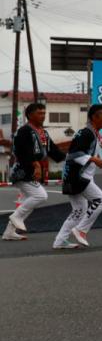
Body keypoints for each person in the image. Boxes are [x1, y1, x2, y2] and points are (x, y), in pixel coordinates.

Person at [3, 102, 66, 242]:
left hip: (31, 170)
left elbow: (54, 152)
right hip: (23, 171)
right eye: (39, 113)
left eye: (44, 113)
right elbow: (19, 150)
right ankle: (16, 217)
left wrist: (71, 158)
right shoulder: (24, 130)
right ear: (30, 115)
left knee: (28, 201)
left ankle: (9, 232)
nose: (43, 116)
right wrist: (35, 164)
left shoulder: (43, 132)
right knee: (40, 196)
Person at [53, 104, 102, 250]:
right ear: (94, 117)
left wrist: (95, 159)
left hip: (75, 176)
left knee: (79, 209)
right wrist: (94, 160)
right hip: (79, 176)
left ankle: (60, 241)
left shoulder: (93, 133)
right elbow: (73, 155)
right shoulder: (87, 133)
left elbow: (82, 153)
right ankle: (81, 230)